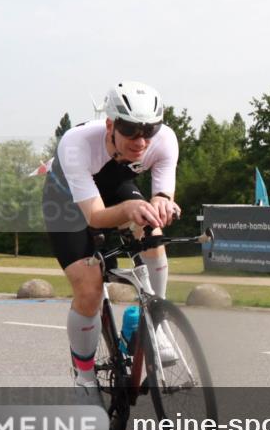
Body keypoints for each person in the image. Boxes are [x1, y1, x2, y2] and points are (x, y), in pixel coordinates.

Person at [42, 81, 180, 405]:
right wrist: (131, 209)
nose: (141, 140)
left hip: (115, 187)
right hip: (66, 206)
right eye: (131, 130)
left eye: (149, 130)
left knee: (151, 233)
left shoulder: (165, 142)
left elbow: (162, 192)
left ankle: (154, 323)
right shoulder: (77, 143)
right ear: (110, 125)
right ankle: (85, 375)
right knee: (89, 288)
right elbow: (94, 216)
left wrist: (160, 204)